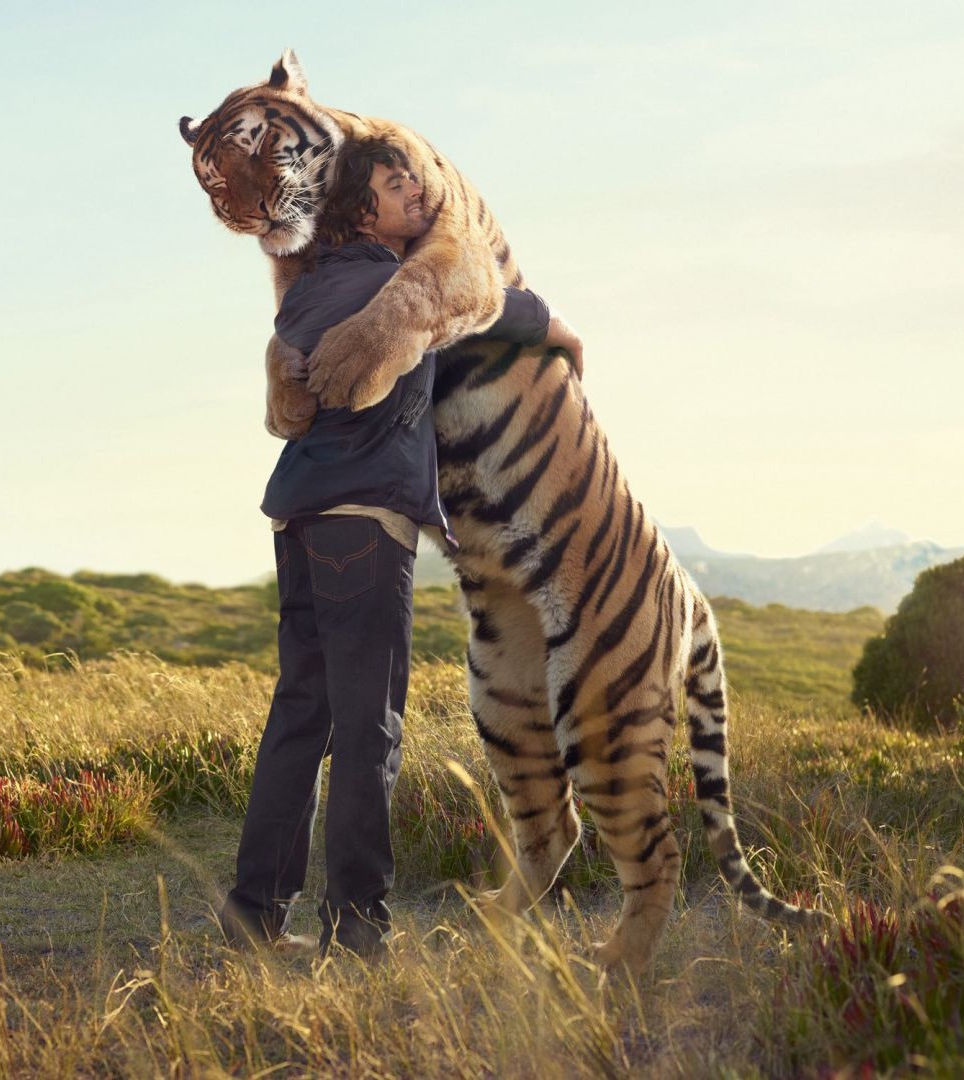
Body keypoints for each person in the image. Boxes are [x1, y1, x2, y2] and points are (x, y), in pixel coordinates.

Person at [218, 137, 582, 961]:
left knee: (299, 717)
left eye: (415, 179)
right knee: (368, 727)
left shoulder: (308, 290)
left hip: (299, 517)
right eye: (394, 184)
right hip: (363, 523)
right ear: (358, 208)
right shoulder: (394, 284)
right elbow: (479, 302)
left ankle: (255, 916)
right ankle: (358, 931)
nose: (416, 192)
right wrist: (558, 325)